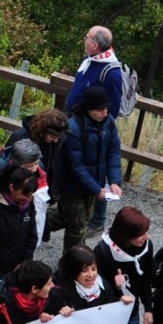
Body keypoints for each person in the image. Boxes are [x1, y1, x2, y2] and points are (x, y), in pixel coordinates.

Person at [49, 86, 123, 249]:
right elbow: (75, 166)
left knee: (74, 217)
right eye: (99, 109)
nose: (104, 113)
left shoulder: (108, 123)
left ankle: (38, 223)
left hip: (93, 184)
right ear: (88, 108)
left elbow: (113, 152)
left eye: (106, 108)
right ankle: (74, 266)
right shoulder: (73, 128)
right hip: (72, 186)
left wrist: (114, 181)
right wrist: (96, 189)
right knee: (77, 229)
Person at [66, 25, 124, 116]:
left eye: (87, 38)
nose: (84, 41)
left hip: (86, 128)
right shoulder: (89, 59)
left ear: (94, 45)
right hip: (72, 121)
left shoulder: (112, 74)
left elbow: (112, 110)